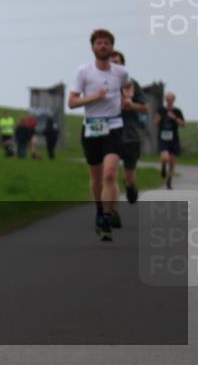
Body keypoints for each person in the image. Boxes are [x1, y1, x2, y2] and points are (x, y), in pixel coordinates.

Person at [68, 29, 130, 241]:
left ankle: (106, 216)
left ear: (112, 47)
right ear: (93, 47)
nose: (103, 46)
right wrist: (94, 97)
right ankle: (99, 211)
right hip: (92, 127)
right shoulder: (84, 72)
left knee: (110, 174)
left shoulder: (120, 72)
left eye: (106, 43)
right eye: (99, 43)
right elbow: (72, 102)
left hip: (114, 126)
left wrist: (126, 99)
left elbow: (128, 86)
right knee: (96, 178)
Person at [109, 51, 149, 206]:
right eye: (111, 62)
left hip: (131, 136)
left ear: (123, 65)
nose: (114, 65)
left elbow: (145, 108)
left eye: (117, 62)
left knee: (129, 177)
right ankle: (113, 211)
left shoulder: (132, 84)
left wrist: (132, 105)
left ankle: (130, 186)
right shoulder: (102, 85)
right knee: (111, 174)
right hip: (111, 134)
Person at [155, 92, 185, 190]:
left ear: (173, 100)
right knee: (166, 158)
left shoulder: (177, 111)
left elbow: (183, 124)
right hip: (163, 138)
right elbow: (155, 123)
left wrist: (174, 118)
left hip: (174, 139)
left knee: (172, 161)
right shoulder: (161, 110)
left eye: (170, 99)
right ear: (165, 100)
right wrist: (158, 120)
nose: (168, 101)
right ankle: (163, 165)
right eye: (167, 99)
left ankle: (169, 180)